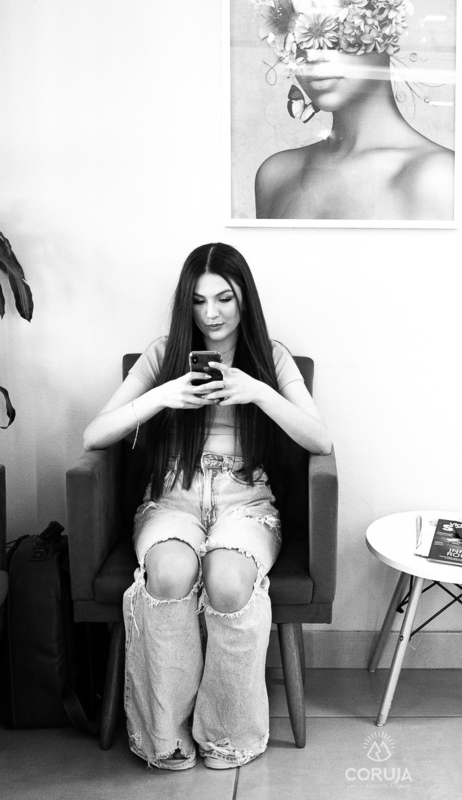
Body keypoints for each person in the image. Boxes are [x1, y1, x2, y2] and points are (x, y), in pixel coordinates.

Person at [82, 242, 332, 771]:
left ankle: (227, 735)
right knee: (169, 575)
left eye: (224, 299)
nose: (211, 314)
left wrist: (258, 391)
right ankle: (169, 735)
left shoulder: (271, 357)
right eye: (198, 301)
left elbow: (320, 440)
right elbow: (94, 434)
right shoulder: (163, 355)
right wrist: (162, 396)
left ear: (245, 299)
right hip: (172, 499)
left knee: (229, 583)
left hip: (246, 502)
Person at [251, 0, 454, 221]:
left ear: (384, 28)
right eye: (298, 39)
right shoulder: (277, 175)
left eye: (335, 33)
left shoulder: (437, 178)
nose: (313, 56)